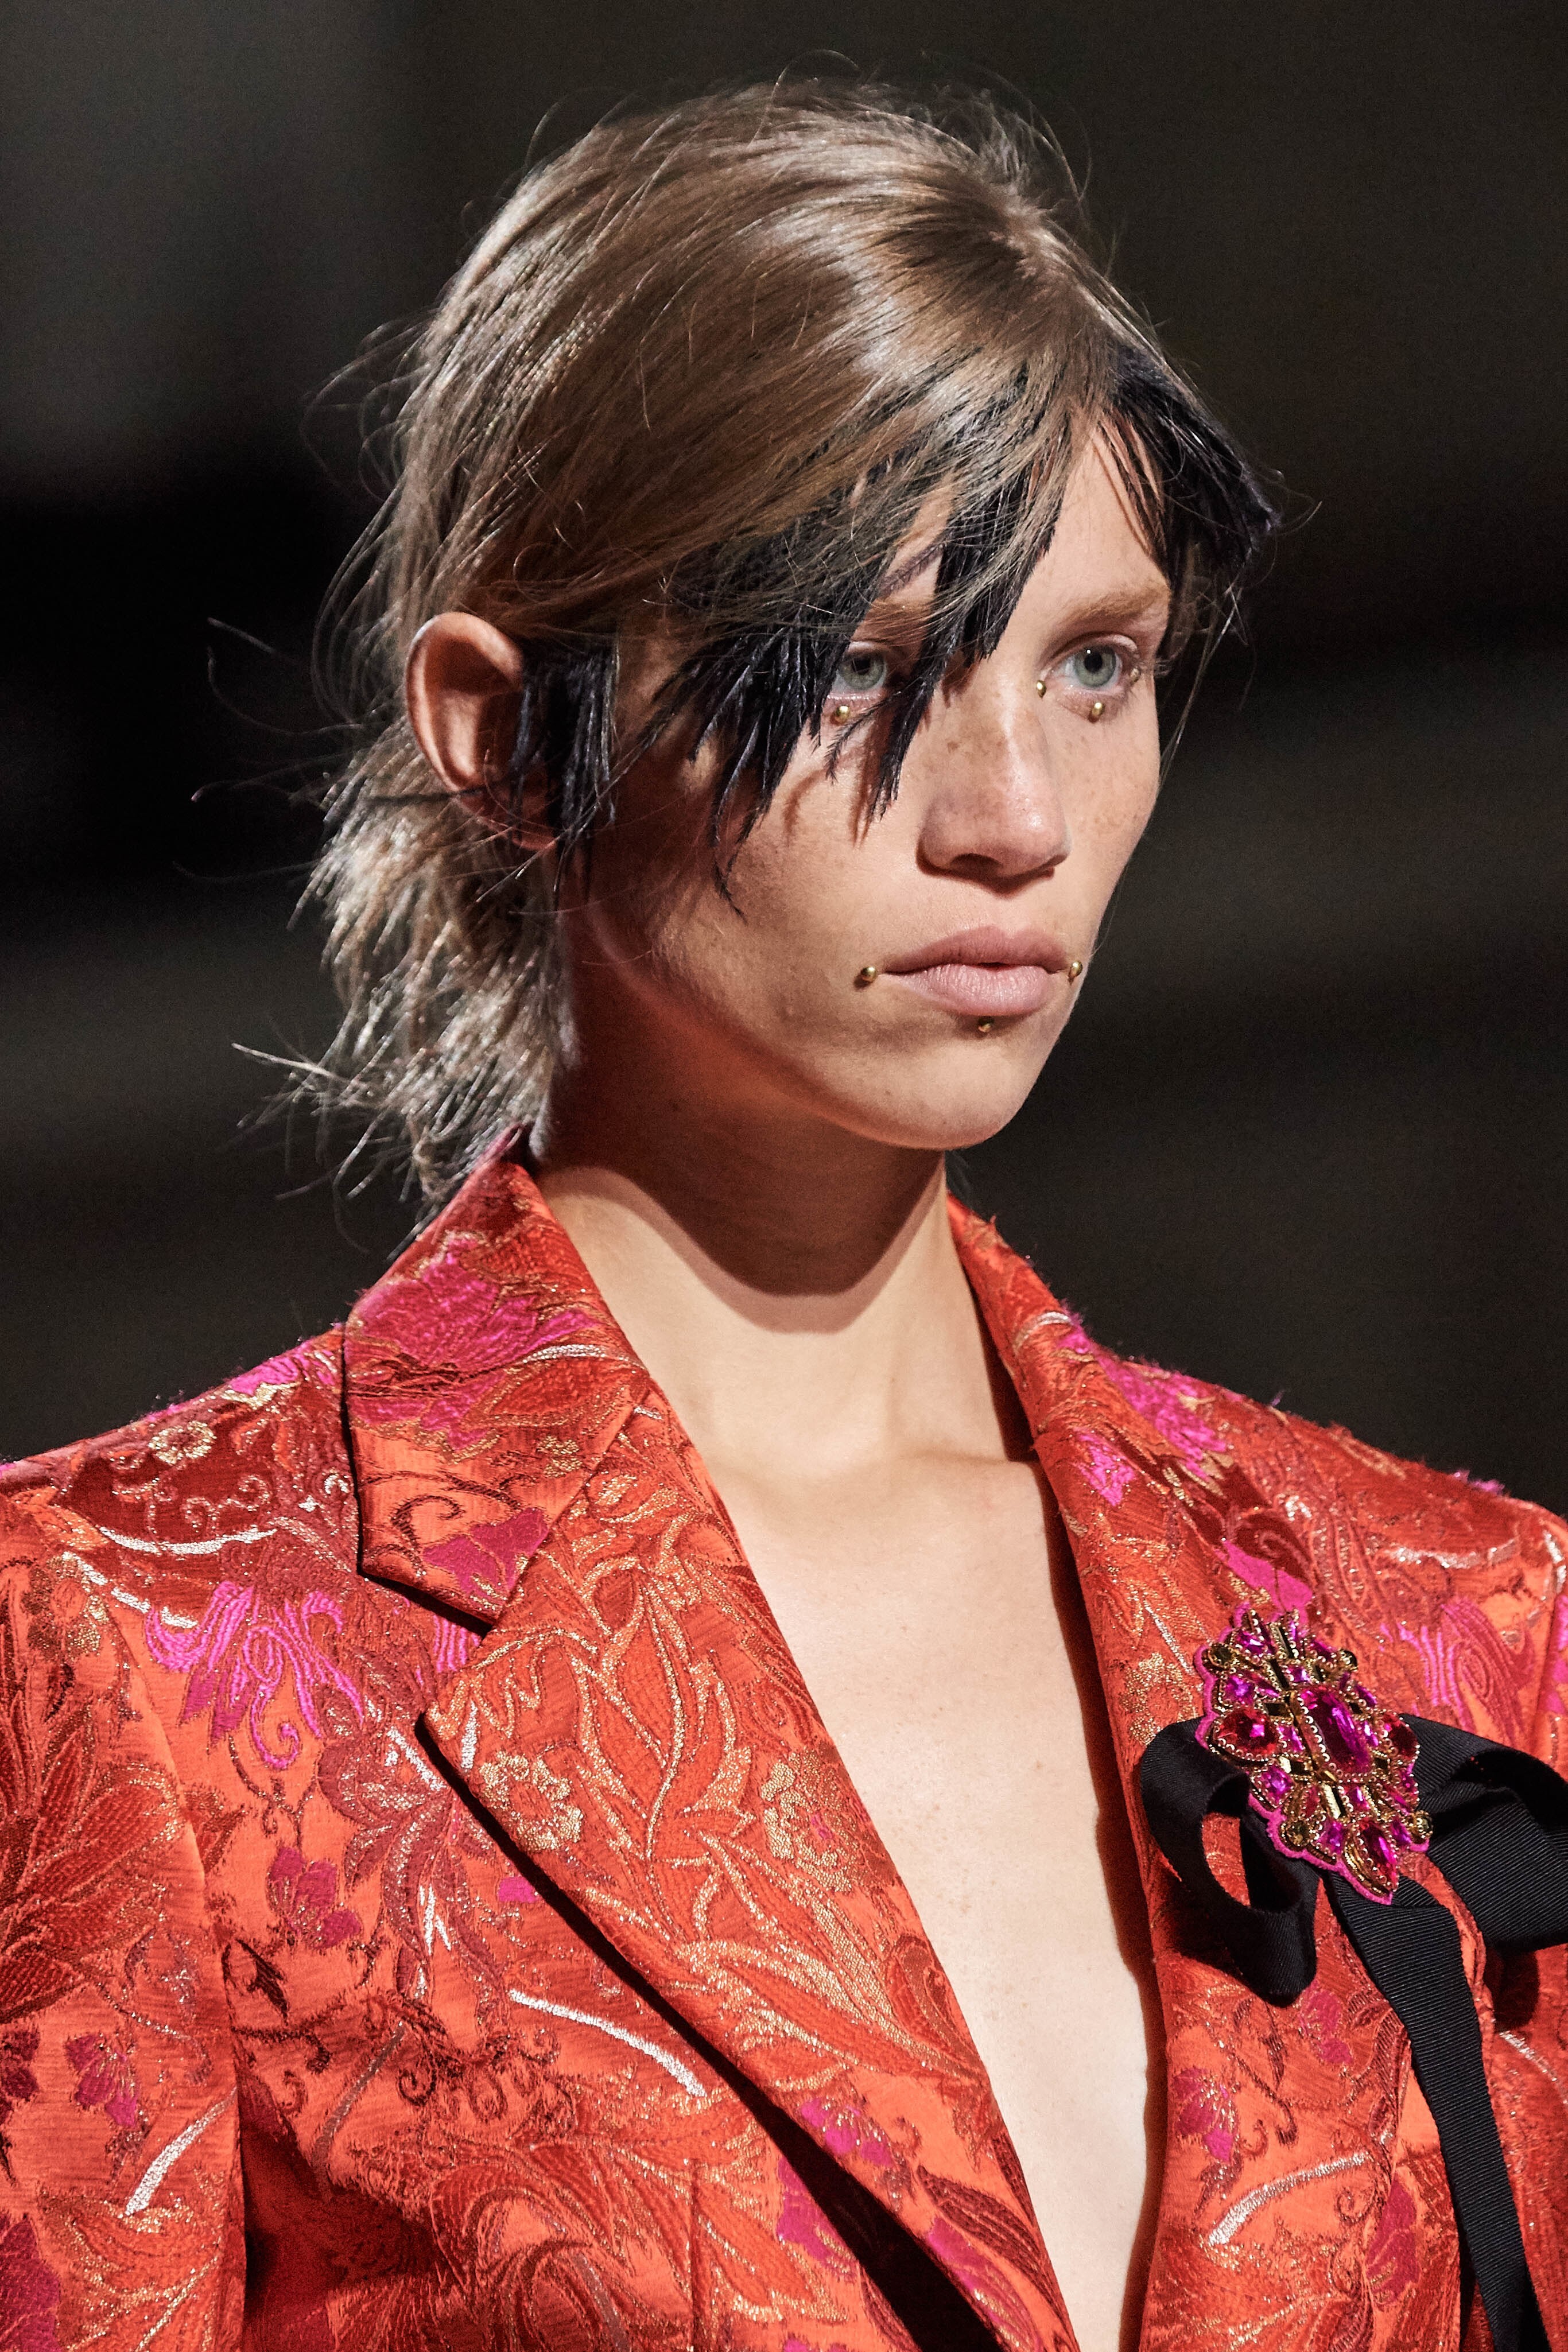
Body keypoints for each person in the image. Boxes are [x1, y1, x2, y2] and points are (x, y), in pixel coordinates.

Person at [2, 81, 1565, 2352]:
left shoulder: (1451, 1618)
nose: (1014, 815)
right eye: (860, 664)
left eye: (1095, 662)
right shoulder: (136, 1655)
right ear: (501, 731)